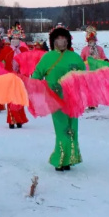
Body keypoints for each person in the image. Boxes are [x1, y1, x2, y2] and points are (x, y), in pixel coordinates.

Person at [31, 25, 85, 171]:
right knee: (62, 130)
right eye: (58, 38)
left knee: (72, 129)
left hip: (73, 99)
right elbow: (37, 75)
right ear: (53, 41)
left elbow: (85, 75)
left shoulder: (75, 57)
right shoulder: (47, 57)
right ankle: (60, 160)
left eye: (64, 38)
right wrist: (35, 85)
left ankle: (69, 159)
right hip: (55, 99)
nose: (62, 41)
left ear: (68, 40)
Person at [5, 25, 29, 129]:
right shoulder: (6, 50)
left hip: (20, 77)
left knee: (20, 97)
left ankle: (20, 119)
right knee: (11, 99)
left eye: (17, 39)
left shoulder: (23, 50)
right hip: (9, 77)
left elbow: (28, 62)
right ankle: (12, 120)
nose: (15, 40)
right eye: (13, 39)